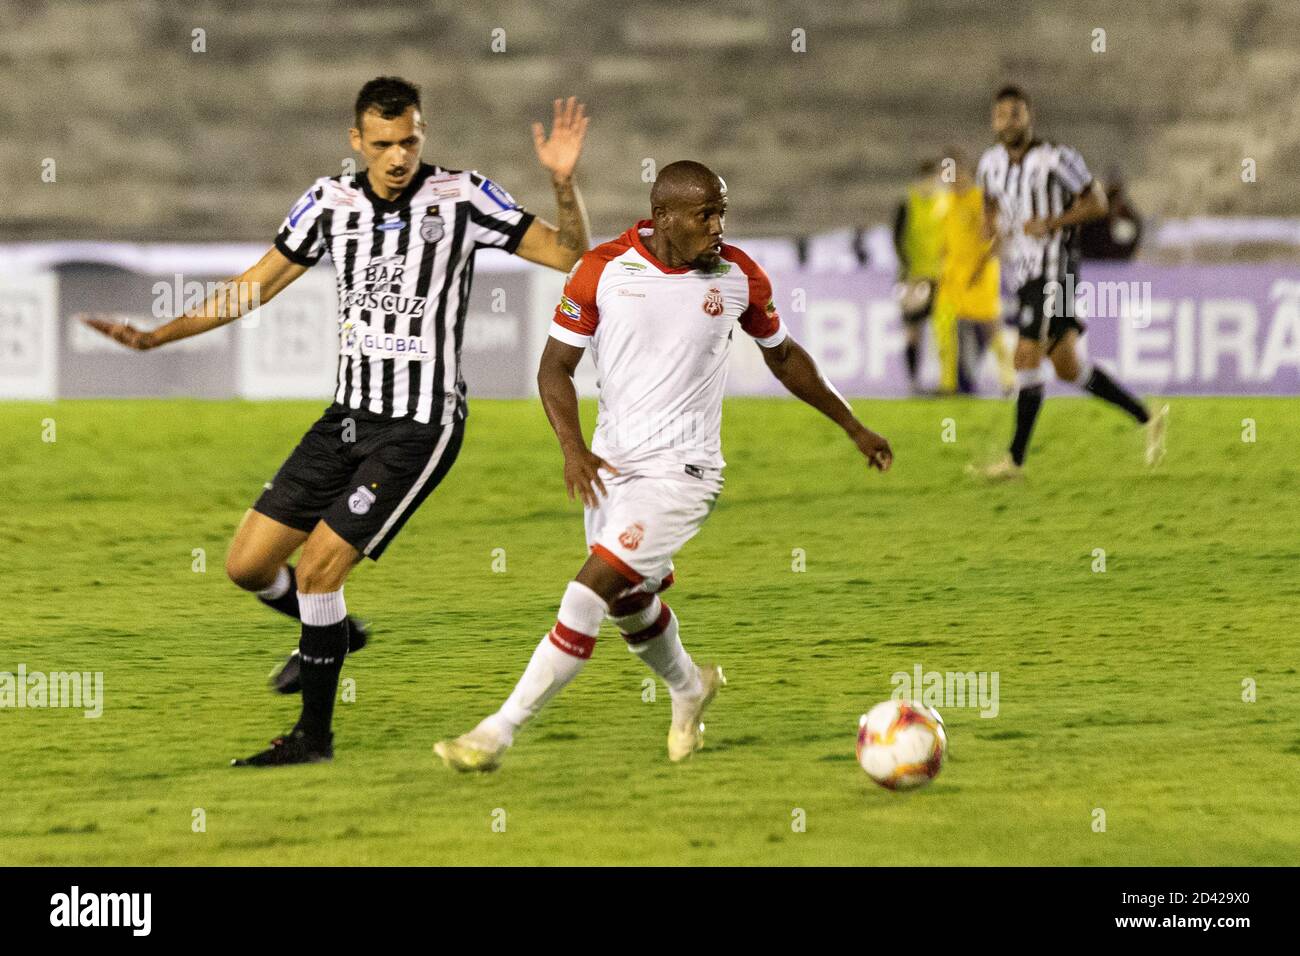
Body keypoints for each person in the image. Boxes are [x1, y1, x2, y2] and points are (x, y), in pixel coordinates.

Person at [83, 77, 593, 766]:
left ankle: (312, 738)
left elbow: (571, 254)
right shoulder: (329, 202)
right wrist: (156, 337)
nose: (397, 156)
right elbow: (252, 287)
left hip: (420, 423)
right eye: (382, 143)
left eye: (409, 140)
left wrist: (564, 181)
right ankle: (334, 634)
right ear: (358, 141)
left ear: (422, 135)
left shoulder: (464, 197)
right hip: (348, 416)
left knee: (319, 571)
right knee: (248, 565)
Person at [433, 161, 894, 772]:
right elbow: (554, 369)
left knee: (587, 592)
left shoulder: (738, 277)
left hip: (684, 472)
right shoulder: (601, 271)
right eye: (705, 214)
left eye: (721, 211)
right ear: (663, 218)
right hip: (611, 469)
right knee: (631, 605)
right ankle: (688, 687)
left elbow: (784, 358)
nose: (718, 226)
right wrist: (573, 449)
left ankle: (496, 733)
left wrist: (853, 425)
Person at [971, 85, 1167, 478]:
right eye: (1000, 115)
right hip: (1023, 273)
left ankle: (1015, 461)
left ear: (1029, 116)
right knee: (1065, 366)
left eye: (1015, 114)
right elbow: (989, 204)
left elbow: (1097, 202)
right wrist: (991, 234)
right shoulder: (989, 163)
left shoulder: (1056, 159)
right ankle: (1148, 416)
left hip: (1055, 270)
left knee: (1024, 357)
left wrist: (1053, 223)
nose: (1007, 122)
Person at [935, 148, 1014, 396]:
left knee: (991, 328)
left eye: (955, 172)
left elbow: (999, 236)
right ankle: (947, 386)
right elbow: (946, 238)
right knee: (944, 329)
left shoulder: (982, 199)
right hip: (952, 276)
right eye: (946, 173)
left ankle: (1010, 383)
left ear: (966, 172)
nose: (951, 178)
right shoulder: (946, 201)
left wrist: (983, 266)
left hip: (980, 274)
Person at [892, 159, 951, 394]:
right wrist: (906, 269)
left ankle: (947, 383)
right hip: (914, 277)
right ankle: (913, 382)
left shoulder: (945, 202)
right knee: (912, 329)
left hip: (941, 277)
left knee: (944, 331)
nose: (932, 184)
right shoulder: (908, 203)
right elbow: (897, 238)